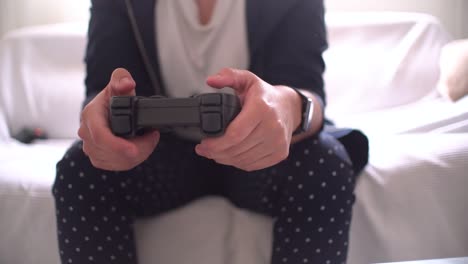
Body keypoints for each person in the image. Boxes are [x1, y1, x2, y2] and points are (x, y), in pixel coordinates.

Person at [52, 0, 368, 263]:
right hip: (156, 153)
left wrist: (289, 106)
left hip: (260, 154)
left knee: (326, 163)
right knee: (81, 167)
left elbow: (308, 90)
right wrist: (101, 121)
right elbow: (102, 87)